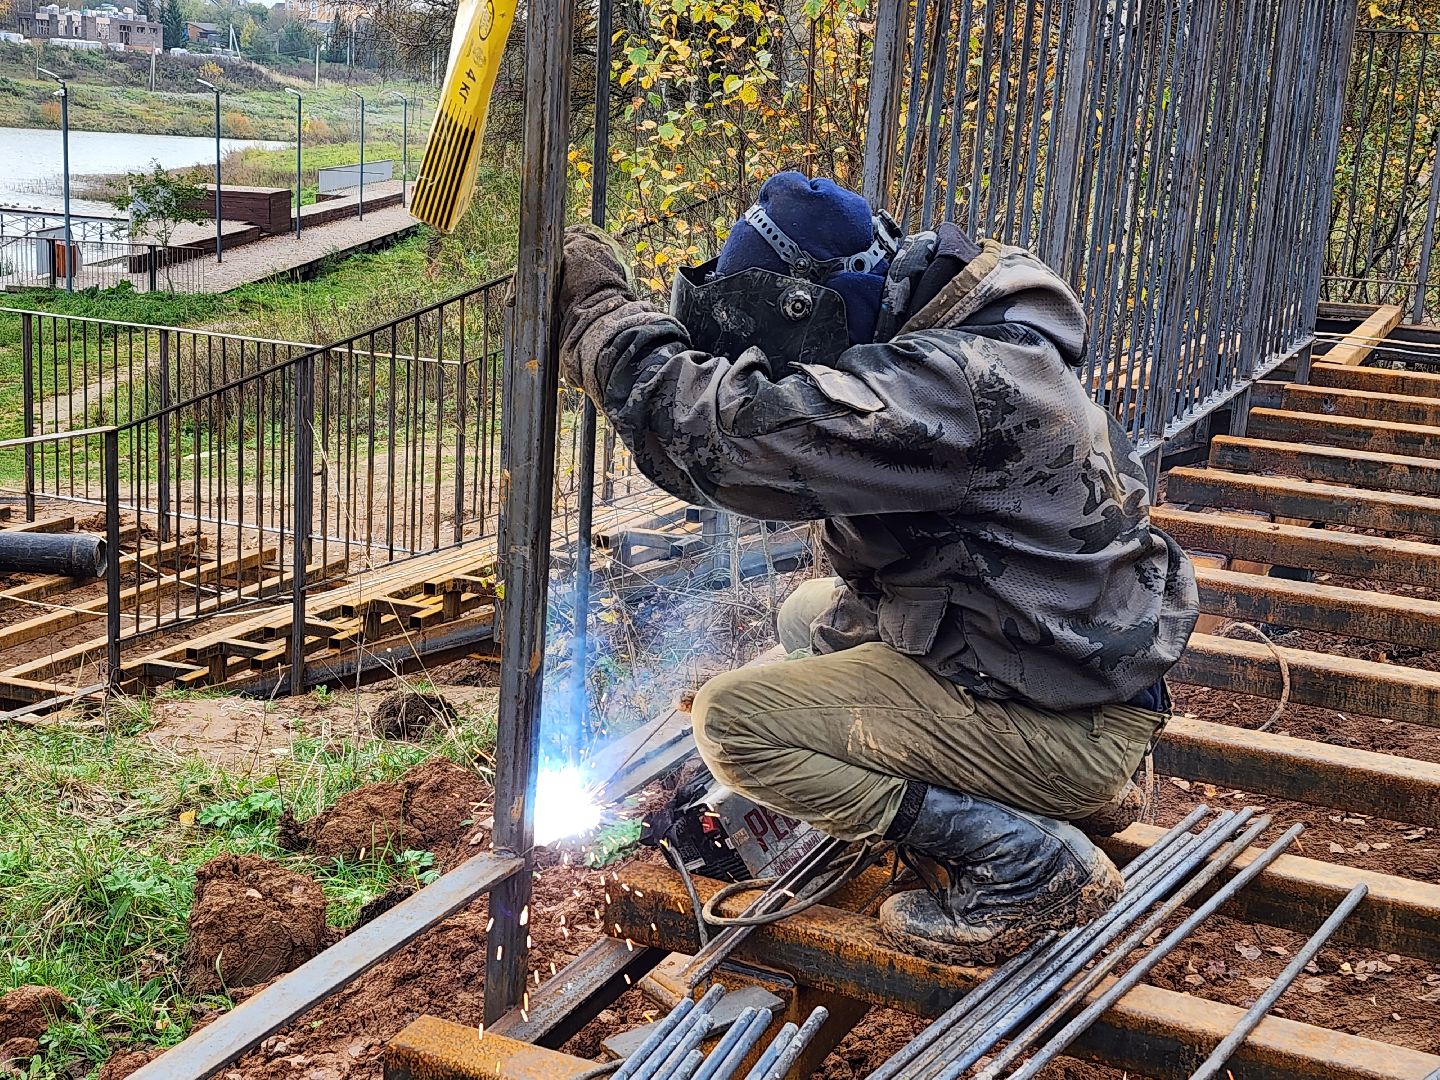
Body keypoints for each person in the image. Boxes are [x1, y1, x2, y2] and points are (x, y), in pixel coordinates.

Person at [555, 172, 1199, 966]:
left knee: (733, 723)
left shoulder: (949, 388)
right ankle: (1068, 788)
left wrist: (598, 322)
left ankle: (1030, 866)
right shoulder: (968, 333)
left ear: (813, 308)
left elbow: (723, 442)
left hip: (1072, 718)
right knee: (805, 618)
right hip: (1071, 675)